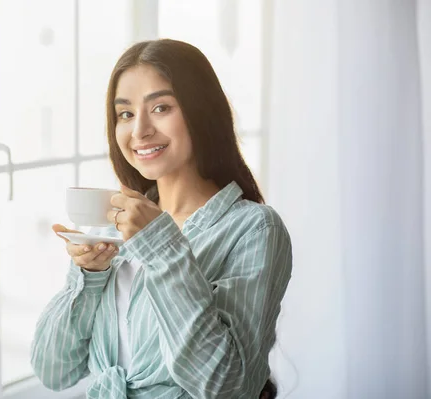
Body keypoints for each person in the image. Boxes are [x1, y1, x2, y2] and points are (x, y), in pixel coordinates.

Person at [30, 39, 292, 398]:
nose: (139, 131)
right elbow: (53, 371)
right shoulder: (113, 228)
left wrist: (160, 246)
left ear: (201, 111)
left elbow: (225, 386)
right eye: (125, 114)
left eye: (161, 107)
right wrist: (88, 277)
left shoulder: (254, 229)